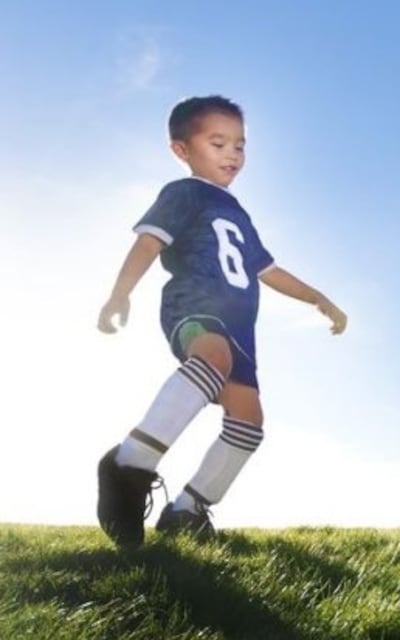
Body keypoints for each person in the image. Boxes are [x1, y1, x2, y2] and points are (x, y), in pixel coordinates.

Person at [96, 95, 347, 548]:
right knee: (211, 355)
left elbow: (268, 271)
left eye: (240, 145)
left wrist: (317, 298)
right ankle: (128, 467)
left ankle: (188, 510)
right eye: (218, 143)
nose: (233, 153)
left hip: (240, 325)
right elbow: (149, 243)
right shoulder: (183, 192)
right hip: (194, 302)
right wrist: (120, 293)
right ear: (182, 150)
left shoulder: (239, 214)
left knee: (249, 419)